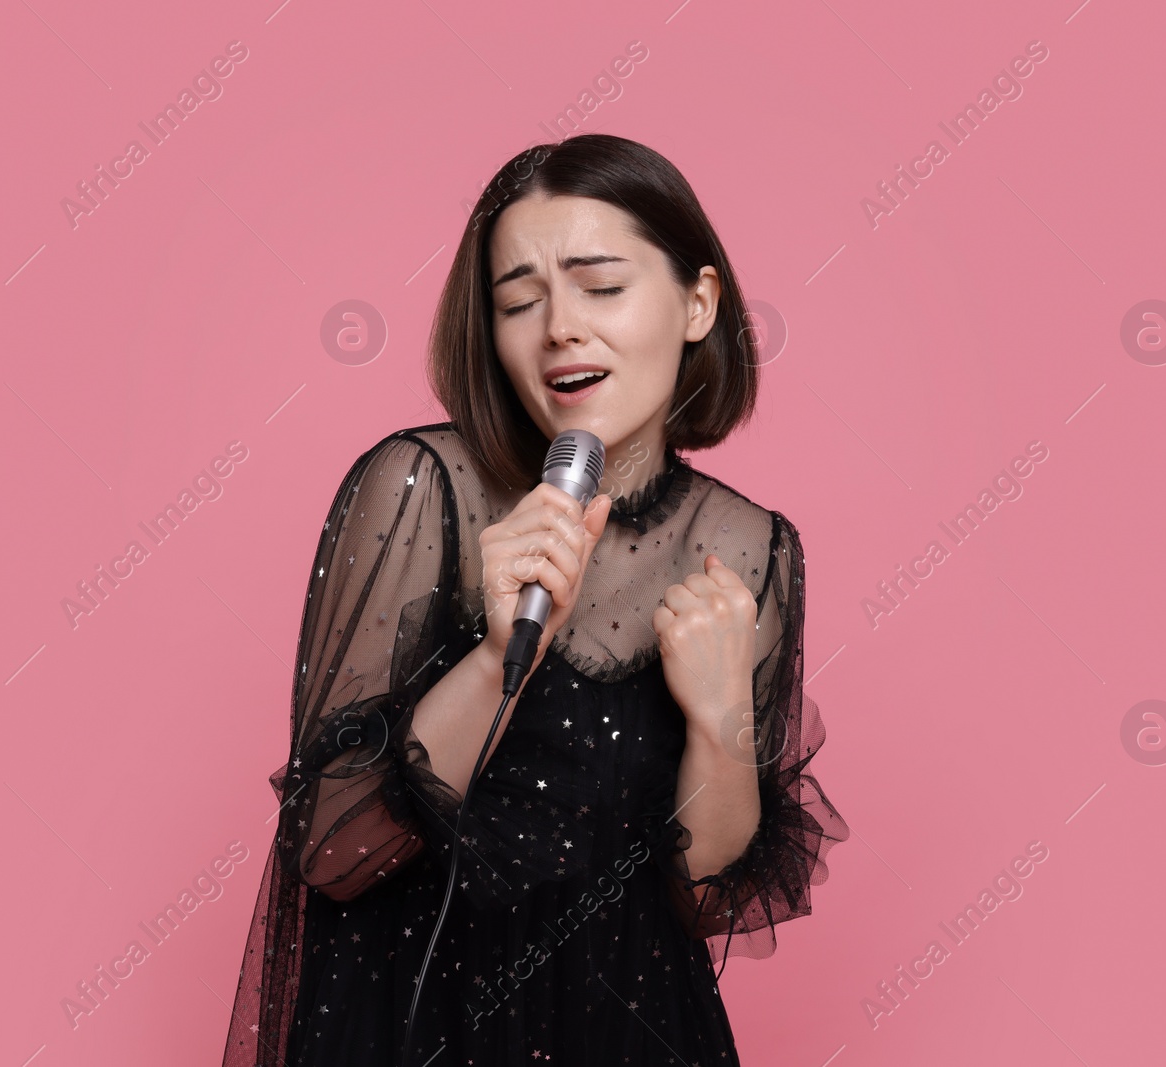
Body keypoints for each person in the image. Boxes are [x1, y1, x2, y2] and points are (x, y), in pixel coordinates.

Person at [221, 133, 848, 1066]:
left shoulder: (751, 550)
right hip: (410, 1027)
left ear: (698, 303)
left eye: (601, 288)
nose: (559, 327)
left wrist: (723, 725)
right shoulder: (418, 486)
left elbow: (708, 902)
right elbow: (332, 851)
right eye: (520, 300)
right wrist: (493, 657)